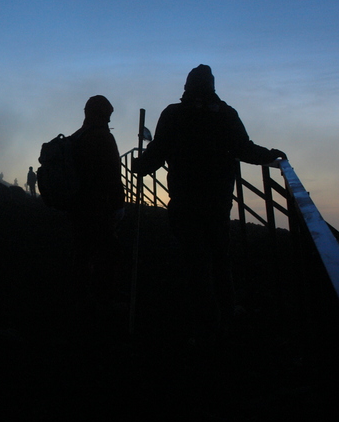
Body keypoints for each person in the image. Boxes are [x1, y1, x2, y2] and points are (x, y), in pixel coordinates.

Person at [133, 64, 286, 341]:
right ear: (212, 86)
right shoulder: (226, 114)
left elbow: (156, 153)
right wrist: (271, 155)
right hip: (217, 201)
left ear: (187, 86)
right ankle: (225, 315)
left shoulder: (173, 114)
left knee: (194, 258)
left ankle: (204, 320)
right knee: (219, 256)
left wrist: (139, 165)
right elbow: (244, 148)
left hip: (183, 200)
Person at [69, 95, 126, 299]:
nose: (109, 120)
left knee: (82, 253)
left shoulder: (77, 137)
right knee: (109, 254)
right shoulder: (103, 137)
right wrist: (119, 205)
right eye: (108, 115)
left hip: (77, 206)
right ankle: (102, 300)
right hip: (100, 207)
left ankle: (80, 296)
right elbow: (112, 174)